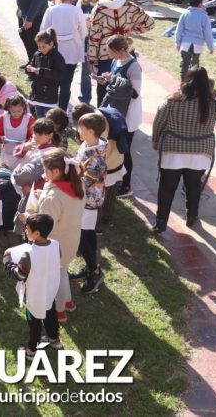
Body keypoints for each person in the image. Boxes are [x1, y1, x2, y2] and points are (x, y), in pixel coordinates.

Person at [150, 67, 216, 232]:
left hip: (173, 150)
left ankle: (161, 222)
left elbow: (158, 121)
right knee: (193, 187)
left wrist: (155, 139)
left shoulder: (173, 100)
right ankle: (192, 216)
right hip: (200, 153)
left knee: (167, 188)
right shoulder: (211, 104)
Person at [30, 149, 85, 321]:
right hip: (70, 240)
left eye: (46, 169)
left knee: (56, 277)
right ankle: (68, 302)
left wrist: (29, 217)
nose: (43, 173)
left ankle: (59, 310)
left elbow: (45, 226)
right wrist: (44, 197)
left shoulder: (52, 197)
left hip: (54, 246)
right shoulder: (78, 184)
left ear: (56, 172)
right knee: (63, 271)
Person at [4, 213, 63, 356]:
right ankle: (54, 339)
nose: (25, 230)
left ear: (36, 233)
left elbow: (18, 275)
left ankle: (32, 350)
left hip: (34, 295)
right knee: (50, 314)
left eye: (27, 228)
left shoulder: (28, 255)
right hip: (50, 291)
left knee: (34, 323)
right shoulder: (56, 245)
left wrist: (7, 260)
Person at [88, 0, 154, 101]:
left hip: (105, 54)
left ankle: (103, 117)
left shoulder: (99, 9)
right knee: (124, 87)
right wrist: (130, 30)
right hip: (124, 52)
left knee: (103, 89)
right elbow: (150, 23)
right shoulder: (130, 6)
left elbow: (94, 37)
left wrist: (91, 60)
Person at [95, 35, 143, 196]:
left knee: (124, 150)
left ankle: (127, 185)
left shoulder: (134, 66)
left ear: (119, 50)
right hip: (115, 111)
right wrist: (106, 80)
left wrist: (113, 79)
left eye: (111, 52)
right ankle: (117, 178)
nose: (109, 56)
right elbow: (118, 84)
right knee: (115, 148)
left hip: (128, 115)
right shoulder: (116, 61)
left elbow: (134, 92)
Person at [73, 113, 107, 294]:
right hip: (83, 200)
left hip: (88, 202)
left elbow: (84, 183)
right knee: (83, 236)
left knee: (85, 238)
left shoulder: (95, 158)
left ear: (91, 131)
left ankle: (94, 271)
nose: (78, 131)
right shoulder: (87, 145)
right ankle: (89, 268)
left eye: (81, 128)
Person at [40, 0, 87, 110]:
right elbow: (84, 33)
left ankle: (51, 108)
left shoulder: (51, 10)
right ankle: (62, 111)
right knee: (66, 84)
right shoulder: (77, 11)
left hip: (54, 52)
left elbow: (43, 31)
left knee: (53, 82)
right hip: (72, 52)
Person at [25, 29, 65, 118]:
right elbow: (32, 65)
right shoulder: (37, 54)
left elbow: (59, 75)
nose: (41, 49)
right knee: (39, 117)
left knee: (49, 120)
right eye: (39, 47)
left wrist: (42, 71)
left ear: (51, 44)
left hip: (49, 95)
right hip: (37, 93)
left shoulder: (57, 57)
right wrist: (28, 69)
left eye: (44, 46)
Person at [175, 0, 214, 78]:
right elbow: (208, 33)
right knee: (195, 65)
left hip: (185, 43)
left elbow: (179, 30)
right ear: (200, 4)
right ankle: (193, 82)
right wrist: (210, 47)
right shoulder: (204, 16)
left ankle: (182, 82)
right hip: (198, 44)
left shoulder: (184, 14)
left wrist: (178, 43)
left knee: (185, 63)